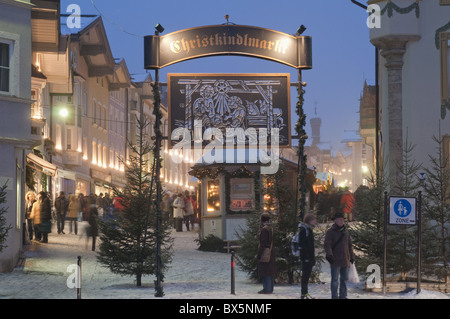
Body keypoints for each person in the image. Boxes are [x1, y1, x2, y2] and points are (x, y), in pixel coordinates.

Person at [324, 211, 355, 299]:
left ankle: (343, 296)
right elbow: (327, 244)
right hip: (335, 259)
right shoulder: (330, 232)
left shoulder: (346, 232)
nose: (341, 221)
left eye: (342, 220)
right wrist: (329, 255)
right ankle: (334, 297)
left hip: (345, 259)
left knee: (344, 280)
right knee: (335, 280)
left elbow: (349, 246)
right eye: (339, 220)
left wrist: (352, 257)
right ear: (335, 221)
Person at [298, 213, 317, 299]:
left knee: (306, 275)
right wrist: (307, 257)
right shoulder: (305, 230)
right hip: (306, 257)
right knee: (305, 275)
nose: (315, 222)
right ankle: (304, 294)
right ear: (310, 221)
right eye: (314, 220)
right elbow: (305, 245)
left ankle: (305, 293)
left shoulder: (308, 230)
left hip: (308, 257)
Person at [257, 213, 275, 294]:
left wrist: (259, 254)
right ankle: (270, 288)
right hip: (271, 251)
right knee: (270, 271)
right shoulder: (270, 228)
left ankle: (267, 289)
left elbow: (263, 243)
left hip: (265, 252)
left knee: (266, 271)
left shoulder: (264, 229)